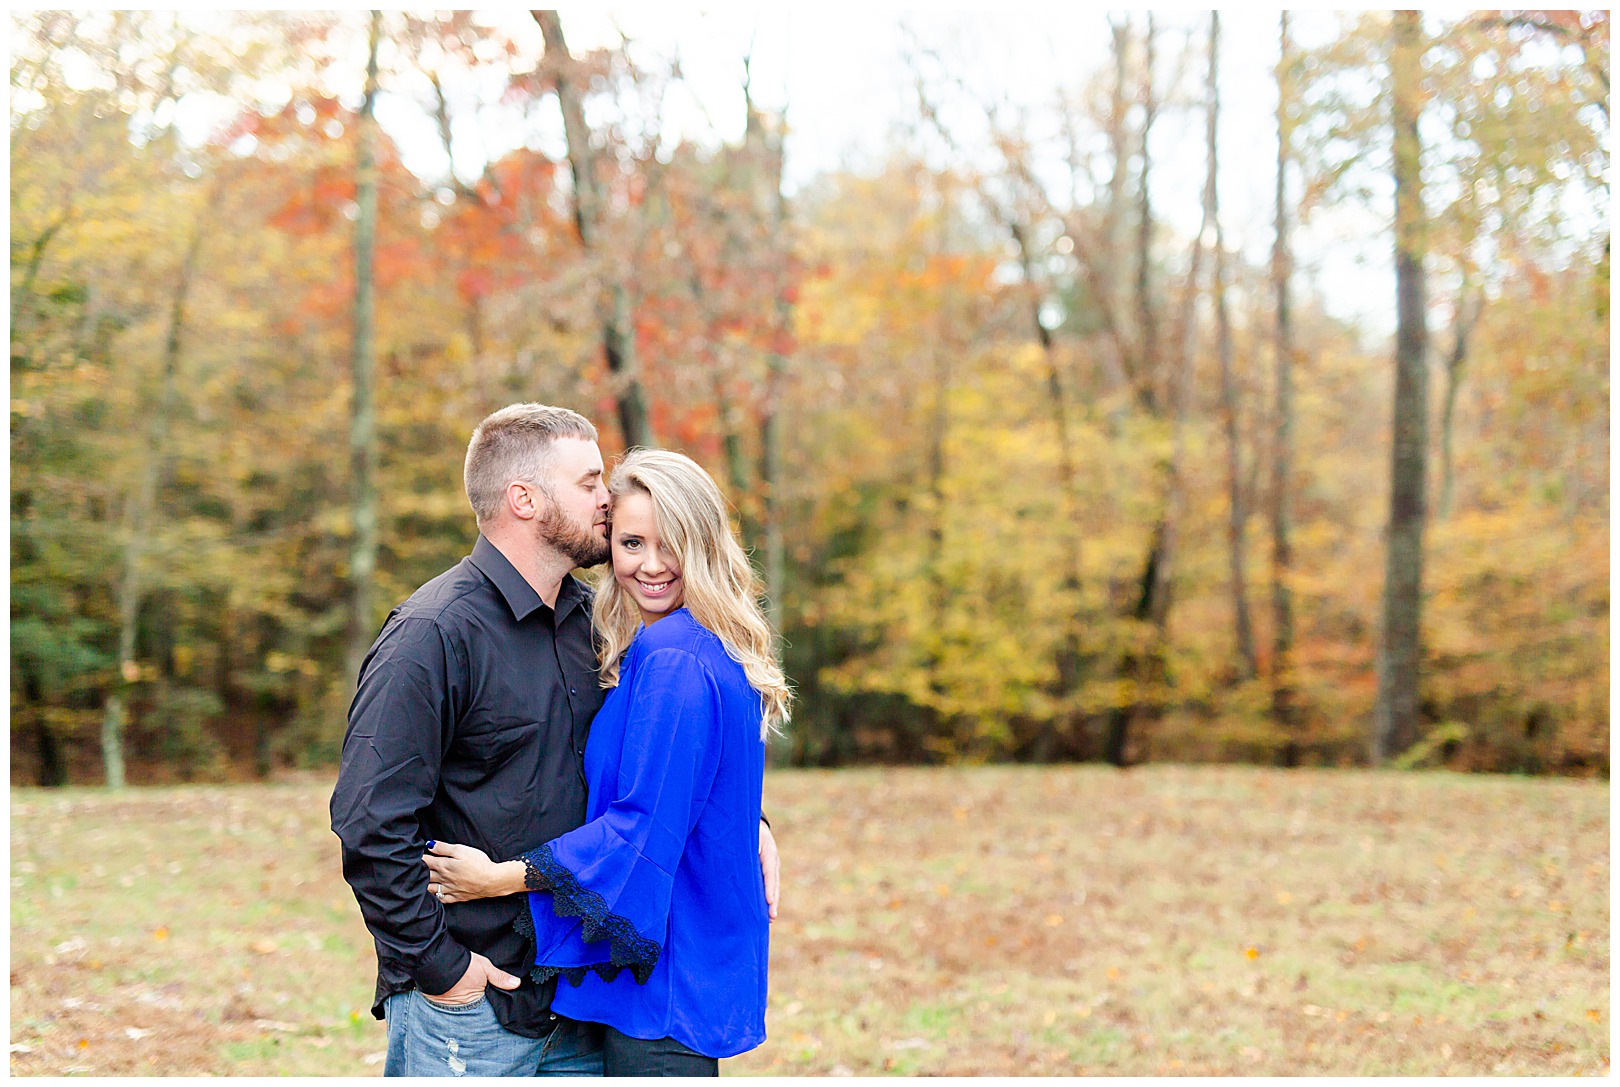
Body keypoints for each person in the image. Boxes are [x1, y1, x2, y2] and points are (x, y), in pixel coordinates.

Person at [330, 405, 781, 1077]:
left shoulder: (598, 627)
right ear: (525, 499)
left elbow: (657, 773)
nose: (606, 498)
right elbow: (370, 822)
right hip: (479, 1003)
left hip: (585, 999)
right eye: (590, 480)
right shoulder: (432, 635)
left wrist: (751, 822)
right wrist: (441, 968)